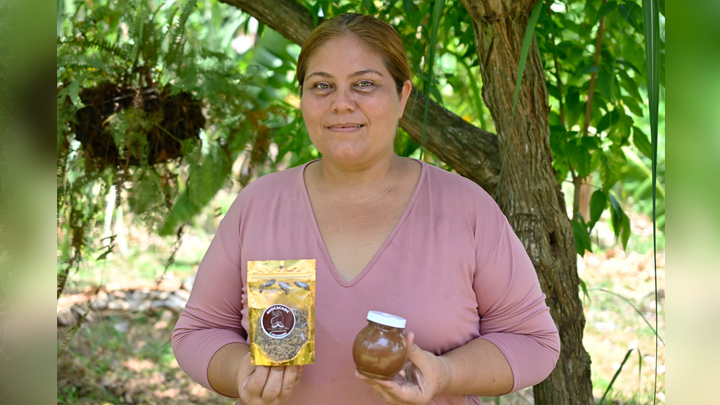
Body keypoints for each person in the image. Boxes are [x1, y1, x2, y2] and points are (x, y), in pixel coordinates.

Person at [172, 12, 560, 405]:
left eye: (365, 84)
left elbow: (533, 342)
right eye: (322, 85)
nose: (342, 103)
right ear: (303, 98)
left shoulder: (465, 208)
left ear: (403, 96)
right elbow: (199, 332)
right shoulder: (259, 205)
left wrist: (445, 374)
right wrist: (240, 371)